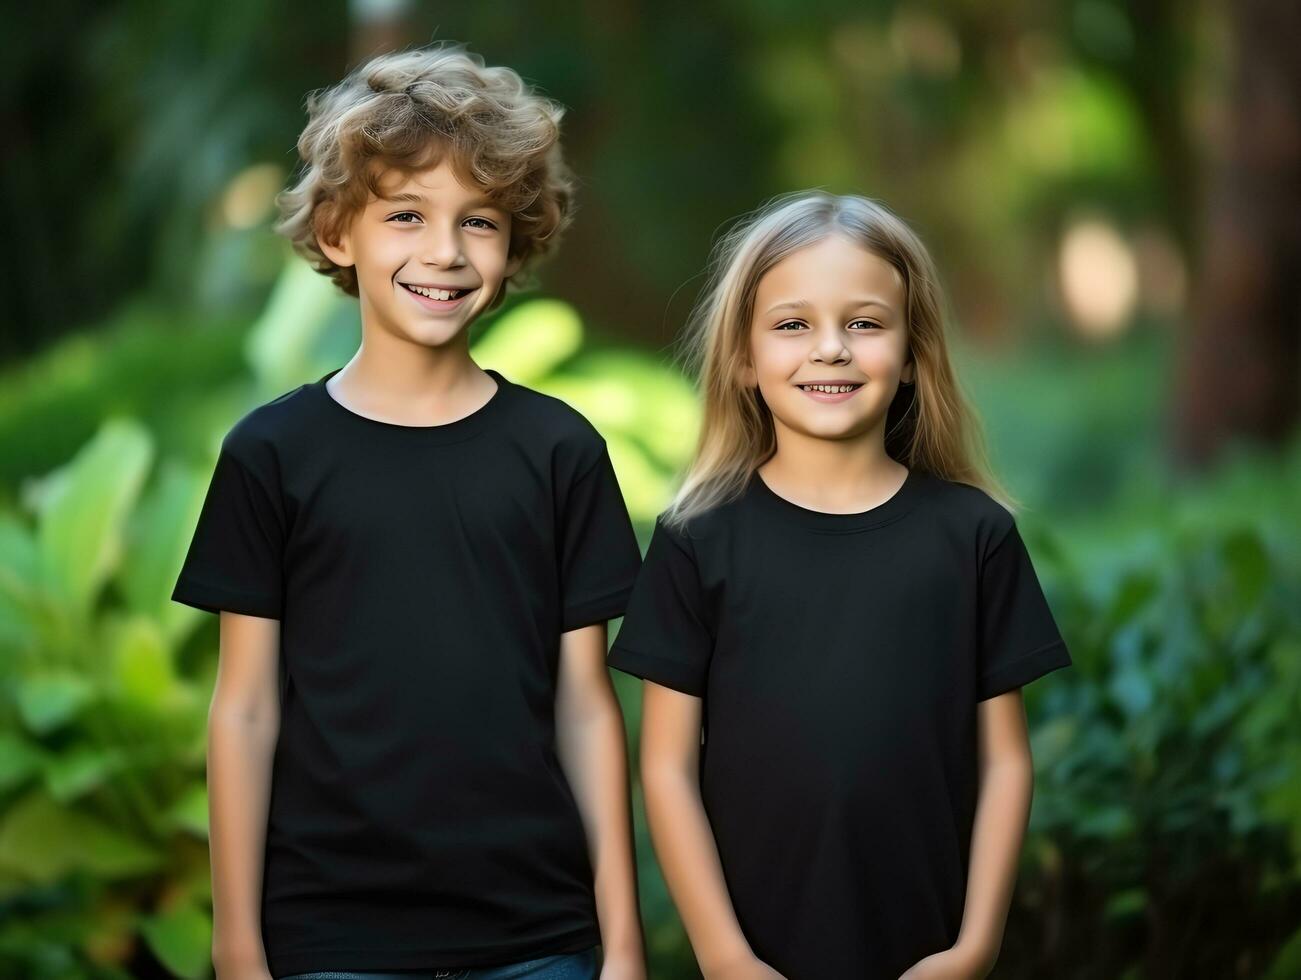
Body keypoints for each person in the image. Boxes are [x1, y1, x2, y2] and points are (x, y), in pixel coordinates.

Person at [172, 43, 646, 980]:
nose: (444, 251)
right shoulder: (273, 455)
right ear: (341, 234)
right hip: (329, 942)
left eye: (478, 221)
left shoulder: (560, 452)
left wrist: (622, 942)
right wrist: (237, 947)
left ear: (514, 242)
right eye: (405, 215)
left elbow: (586, 709)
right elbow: (245, 710)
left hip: (536, 940)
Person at [606, 191, 1074, 980]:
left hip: (927, 957)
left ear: (914, 352)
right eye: (792, 325)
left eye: (864, 323)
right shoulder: (695, 541)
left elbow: (1005, 764)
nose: (831, 349)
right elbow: (664, 768)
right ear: (743, 359)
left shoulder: (972, 535)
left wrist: (973, 950)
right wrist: (724, 958)